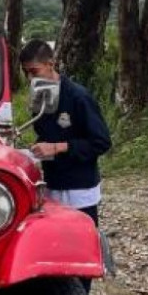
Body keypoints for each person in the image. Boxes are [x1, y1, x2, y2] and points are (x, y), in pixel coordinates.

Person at [19, 39, 112, 228]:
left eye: (34, 71)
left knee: (80, 241)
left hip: (79, 190)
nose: (30, 78)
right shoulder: (41, 97)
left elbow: (101, 142)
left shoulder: (79, 97)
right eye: (25, 73)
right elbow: (44, 134)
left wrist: (57, 147)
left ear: (50, 64)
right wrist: (35, 152)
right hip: (53, 185)